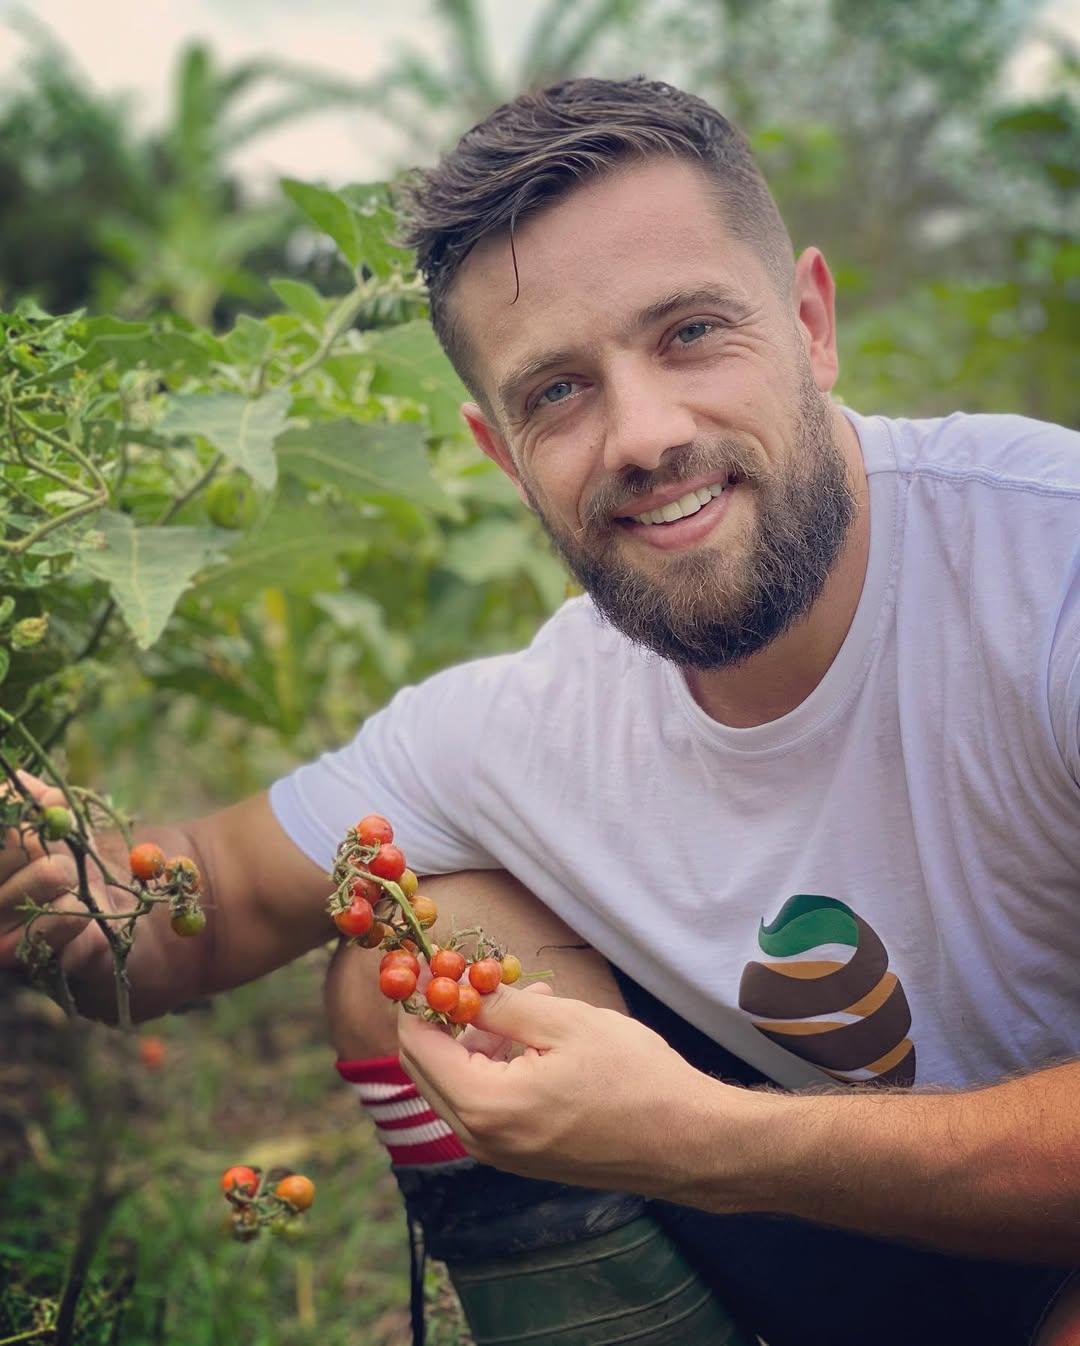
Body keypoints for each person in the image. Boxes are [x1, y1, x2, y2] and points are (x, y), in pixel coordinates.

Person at [2, 76, 1078, 1346]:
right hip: (853, 1252)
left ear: (810, 322)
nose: (643, 434)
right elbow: (204, 898)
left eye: (691, 332)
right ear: (501, 453)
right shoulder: (524, 724)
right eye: (557, 391)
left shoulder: (1046, 573)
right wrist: (51, 873)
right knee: (421, 956)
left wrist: (704, 1137)